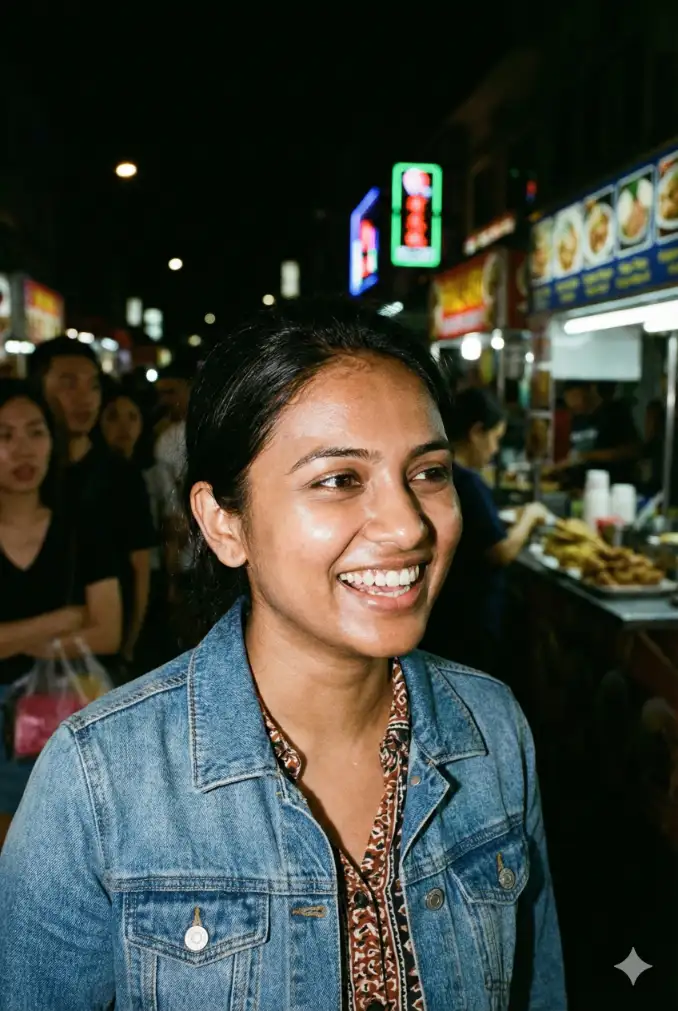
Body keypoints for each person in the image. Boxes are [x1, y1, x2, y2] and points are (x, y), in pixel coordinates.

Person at [0, 303, 566, 1010]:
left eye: (428, 471)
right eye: (339, 479)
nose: (408, 525)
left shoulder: (491, 727)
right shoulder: (101, 779)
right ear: (223, 523)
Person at [0, 381, 121, 846]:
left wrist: (12, 639)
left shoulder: (83, 526)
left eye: (35, 432)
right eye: (4, 436)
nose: (22, 450)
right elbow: (90, 624)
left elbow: (108, 632)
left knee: (56, 851)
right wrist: (62, 621)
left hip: (62, 712)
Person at [29, 337, 156, 670]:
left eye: (93, 386)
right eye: (68, 384)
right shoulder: (25, 477)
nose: (84, 398)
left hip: (99, 656)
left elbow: (140, 567)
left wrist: (129, 648)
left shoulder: (120, 476)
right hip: (33, 655)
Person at [422, 388, 549, 671]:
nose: (494, 449)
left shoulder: (439, 472)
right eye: (495, 439)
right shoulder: (469, 483)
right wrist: (529, 517)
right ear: (476, 432)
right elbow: (499, 553)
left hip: (446, 615)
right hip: (472, 619)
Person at [549, 380, 640, 486]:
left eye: (575, 397)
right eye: (568, 400)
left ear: (589, 390)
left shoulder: (615, 412)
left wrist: (585, 456)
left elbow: (632, 450)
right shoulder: (577, 418)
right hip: (579, 489)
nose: (572, 404)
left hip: (611, 487)